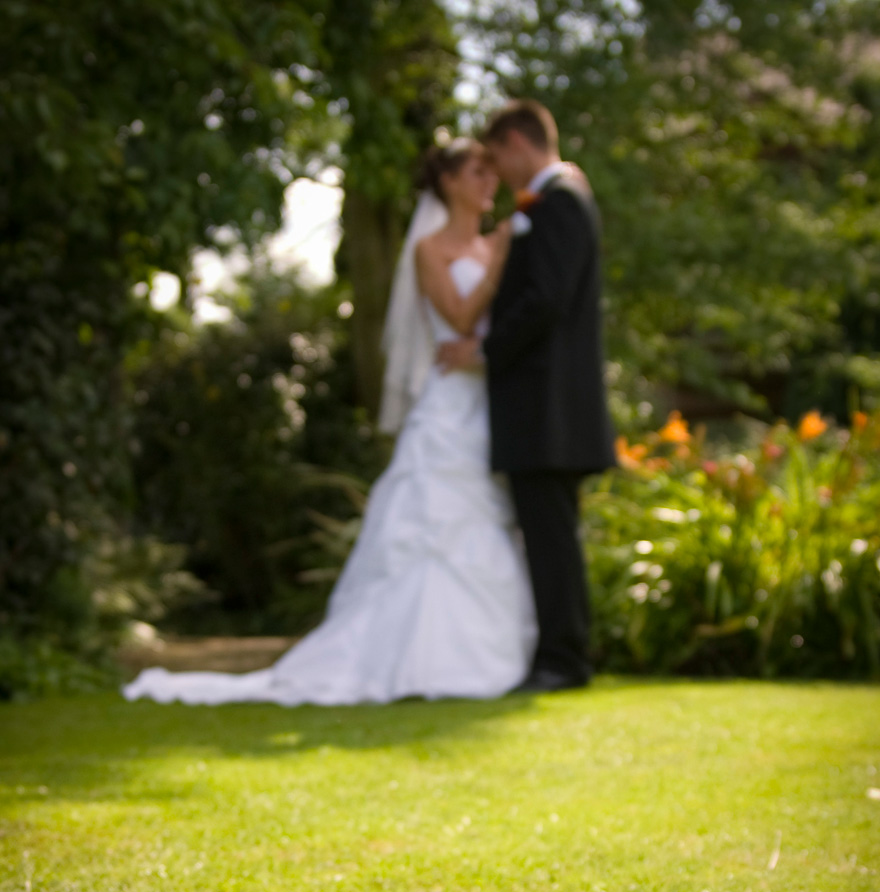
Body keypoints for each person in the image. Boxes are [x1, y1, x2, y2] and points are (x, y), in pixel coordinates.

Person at [123, 139, 536, 707]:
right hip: (446, 409)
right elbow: (459, 317)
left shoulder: (498, 243)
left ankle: (494, 653)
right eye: (478, 171)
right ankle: (413, 660)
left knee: (484, 525)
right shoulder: (430, 248)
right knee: (431, 526)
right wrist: (500, 265)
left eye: (493, 172)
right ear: (448, 183)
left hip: (489, 404)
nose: (490, 182)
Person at [437, 100, 616, 692]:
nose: (500, 174)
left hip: (549, 409)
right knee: (548, 536)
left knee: (551, 538)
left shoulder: (560, 201)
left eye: (498, 159)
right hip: (546, 410)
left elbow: (544, 301)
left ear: (517, 142)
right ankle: (560, 653)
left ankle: (563, 660)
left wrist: (485, 350)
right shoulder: (556, 200)